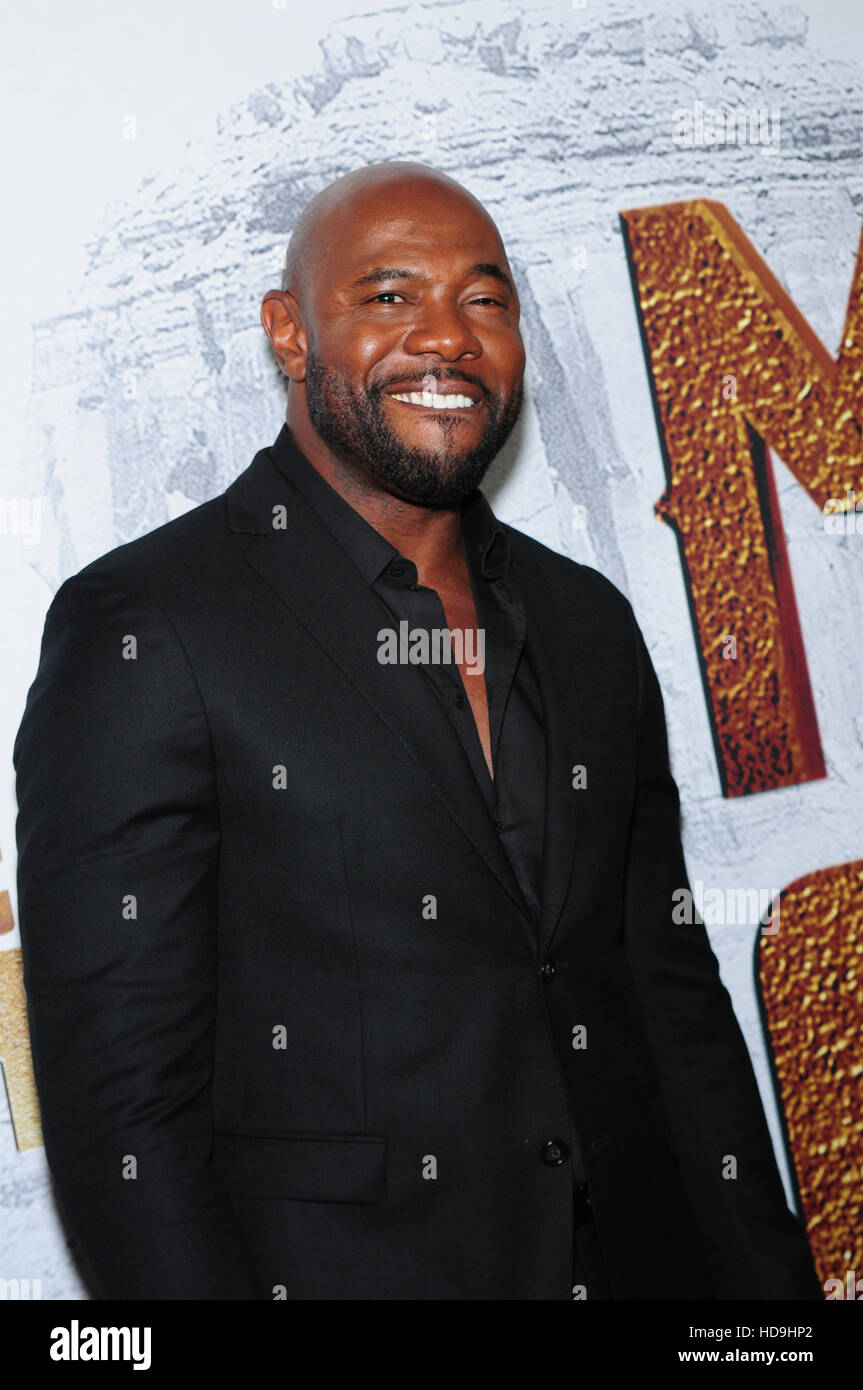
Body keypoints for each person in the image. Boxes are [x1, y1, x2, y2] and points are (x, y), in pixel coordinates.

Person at [14, 160, 822, 1300]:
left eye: (484, 300)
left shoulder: (586, 620)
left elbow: (664, 998)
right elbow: (122, 1113)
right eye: (388, 297)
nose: (444, 338)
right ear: (288, 333)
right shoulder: (149, 626)